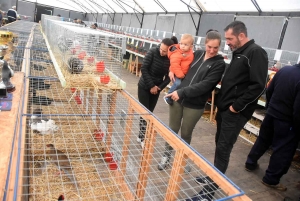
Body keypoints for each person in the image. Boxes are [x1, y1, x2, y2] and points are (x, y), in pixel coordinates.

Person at [190, 21, 268, 201]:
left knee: (224, 149)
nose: (228, 43)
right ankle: (213, 178)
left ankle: (208, 194)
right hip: (225, 109)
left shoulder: (255, 52)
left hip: (235, 112)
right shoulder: (239, 53)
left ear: (241, 35)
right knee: (219, 144)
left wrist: (236, 106)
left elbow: (258, 86)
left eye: (230, 38)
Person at [158, 30, 226, 172]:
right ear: (204, 44)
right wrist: (171, 70)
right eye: (209, 46)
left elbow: (205, 86)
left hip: (194, 104)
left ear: (219, 47)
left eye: (215, 48)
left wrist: (181, 92)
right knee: (172, 129)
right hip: (178, 99)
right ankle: (166, 155)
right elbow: (178, 59)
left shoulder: (219, 64)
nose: (212, 50)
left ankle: (182, 158)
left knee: (186, 133)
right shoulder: (198, 54)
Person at [245, 63, 300, 191]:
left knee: (263, 139)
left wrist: (270, 107)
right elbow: (298, 109)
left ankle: (250, 163)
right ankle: (271, 179)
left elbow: (269, 90)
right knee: (282, 150)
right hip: (287, 121)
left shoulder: (285, 70)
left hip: (272, 113)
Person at [137, 37, 177, 147]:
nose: (162, 52)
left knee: (150, 112)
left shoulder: (171, 58)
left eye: (165, 51)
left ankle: (143, 134)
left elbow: (169, 77)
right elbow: (144, 68)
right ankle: (142, 137)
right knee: (145, 112)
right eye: (161, 49)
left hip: (157, 89)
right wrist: (151, 85)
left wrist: (159, 87)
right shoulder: (152, 52)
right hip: (144, 86)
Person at [164, 34, 194, 105]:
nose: (182, 46)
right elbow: (175, 64)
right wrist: (180, 75)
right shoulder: (177, 52)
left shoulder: (190, 53)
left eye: (185, 44)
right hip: (178, 74)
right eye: (181, 44)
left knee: (180, 86)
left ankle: (174, 97)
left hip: (183, 74)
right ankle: (168, 96)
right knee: (178, 83)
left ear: (191, 46)